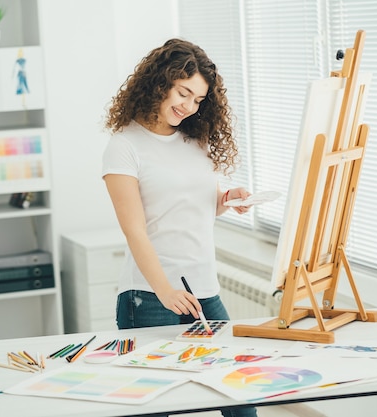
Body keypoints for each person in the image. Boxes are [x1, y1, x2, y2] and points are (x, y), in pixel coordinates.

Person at [102, 39, 257, 417]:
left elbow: (189, 206)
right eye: (183, 92)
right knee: (157, 404)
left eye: (198, 99)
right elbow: (135, 229)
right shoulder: (124, 146)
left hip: (203, 288)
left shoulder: (195, 139)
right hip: (150, 295)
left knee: (239, 399)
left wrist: (226, 198)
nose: (188, 106)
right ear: (160, 83)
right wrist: (165, 289)